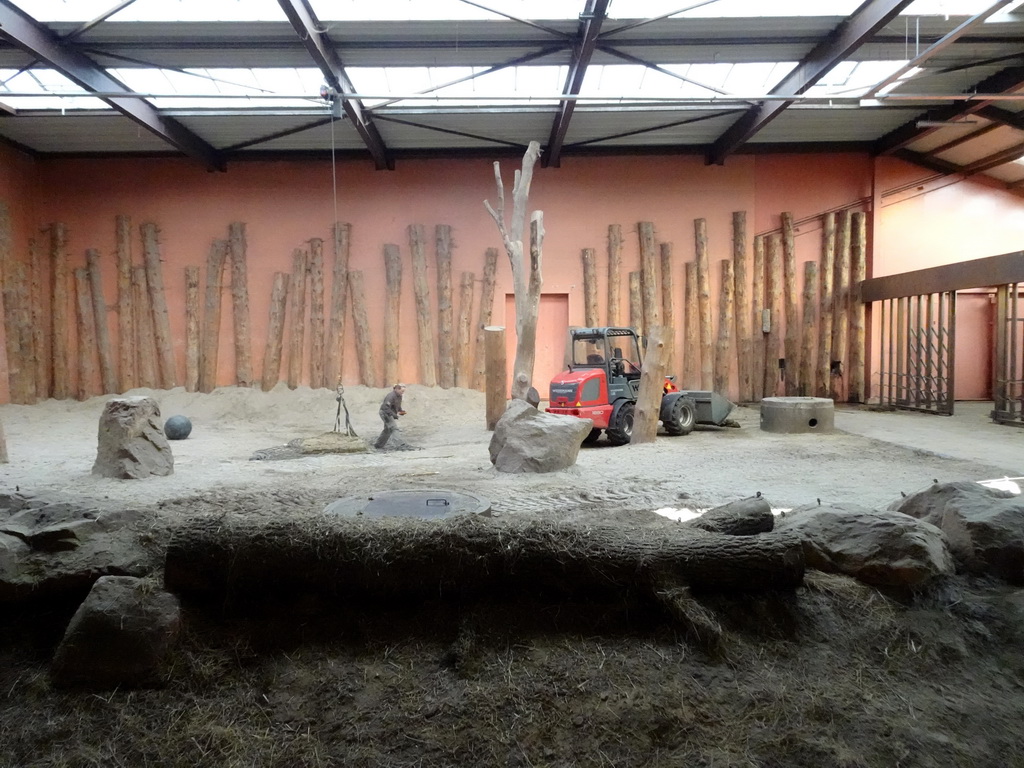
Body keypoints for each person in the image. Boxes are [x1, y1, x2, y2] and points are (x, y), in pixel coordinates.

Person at [375, 383, 407, 450]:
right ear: (396, 389)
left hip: (389, 413)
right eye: (402, 391)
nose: (402, 393)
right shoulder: (390, 396)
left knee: (387, 430)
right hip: (385, 413)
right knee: (394, 428)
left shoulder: (399, 396)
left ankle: (378, 445)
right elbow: (385, 408)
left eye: (403, 392)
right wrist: (394, 415)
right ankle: (400, 445)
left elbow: (398, 406)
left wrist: (401, 411)